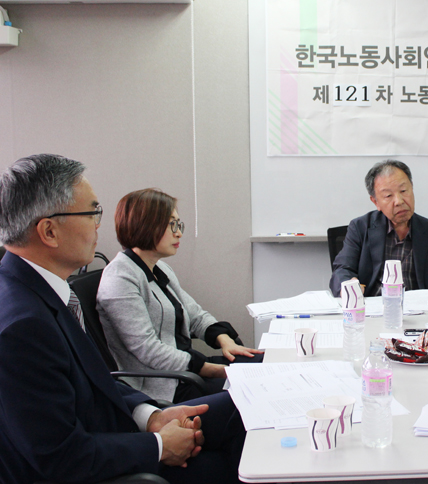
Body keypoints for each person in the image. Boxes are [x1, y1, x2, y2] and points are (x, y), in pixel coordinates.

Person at [0, 154, 246, 484]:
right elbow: (58, 457)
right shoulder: (21, 326)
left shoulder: (45, 292)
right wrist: (159, 446)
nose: (98, 225)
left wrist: (152, 416)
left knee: (247, 407)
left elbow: (95, 380)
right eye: (92, 213)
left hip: (117, 429)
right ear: (49, 231)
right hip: (103, 461)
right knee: (237, 458)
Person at [97, 188, 263, 403]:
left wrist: (225, 340)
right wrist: (217, 370)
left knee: (268, 364)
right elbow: (148, 350)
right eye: (171, 225)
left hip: (186, 373)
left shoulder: (160, 268)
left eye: (179, 224)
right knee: (256, 389)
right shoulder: (120, 278)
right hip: (165, 386)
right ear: (145, 225)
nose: (179, 233)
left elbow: (195, 315)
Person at [329, 159, 428, 297]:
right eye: (388, 195)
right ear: (376, 202)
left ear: (412, 188)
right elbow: (342, 269)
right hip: (373, 305)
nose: (399, 201)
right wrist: (349, 285)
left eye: (403, 191)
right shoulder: (360, 228)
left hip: (419, 307)